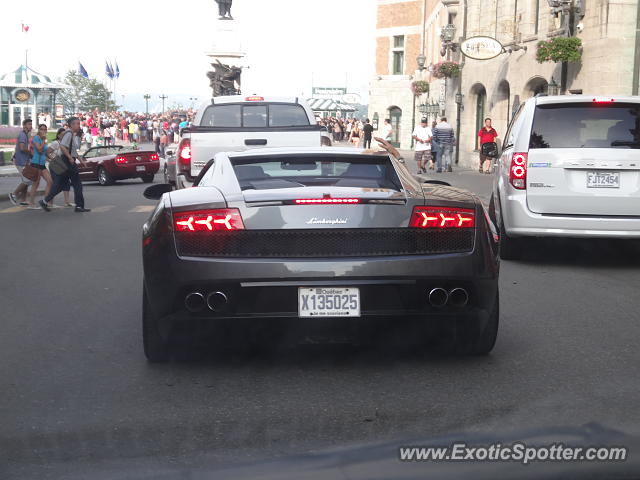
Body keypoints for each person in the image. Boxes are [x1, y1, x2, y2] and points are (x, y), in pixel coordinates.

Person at [40, 117, 91, 213]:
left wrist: (81, 160)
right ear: (71, 125)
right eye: (76, 123)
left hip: (68, 161)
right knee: (77, 184)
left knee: (61, 185)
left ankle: (44, 201)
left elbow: (73, 151)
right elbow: (63, 146)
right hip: (67, 161)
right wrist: (70, 157)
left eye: (79, 123)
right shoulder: (69, 133)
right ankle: (79, 206)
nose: (78, 125)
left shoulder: (73, 135)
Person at [8, 119, 34, 206]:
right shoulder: (23, 135)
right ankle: (14, 194)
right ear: (24, 125)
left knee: (26, 180)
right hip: (20, 161)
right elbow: (22, 148)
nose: (31, 126)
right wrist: (30, 152)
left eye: (31, 124)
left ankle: (23, 200)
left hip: (24, 161)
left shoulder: (25, 135)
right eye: (29, 124)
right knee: (28, 180)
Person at [27, 124, 53, 209]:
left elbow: (44, 152)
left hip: (42, 164)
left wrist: (51, 159)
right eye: (42, 129)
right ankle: (31, 203)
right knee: (36, 183)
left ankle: (46, 201)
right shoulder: (37, 138)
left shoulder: (43, 139)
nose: (44, 131)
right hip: (36, 163)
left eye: (45, 129)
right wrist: (43, 140)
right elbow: (39, 149)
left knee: (50, 181)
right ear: (39, 130)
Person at [46, 128, 73, 208]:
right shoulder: (55, 143)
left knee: (66, 182)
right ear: (58, 135)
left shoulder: (66, 143)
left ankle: (67, 202)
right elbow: (48, 152)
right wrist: (55, 159)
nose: (64, 136)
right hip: (56, 164)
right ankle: (49, 202)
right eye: (62, 135)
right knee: (56, 183)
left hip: (64, 165)